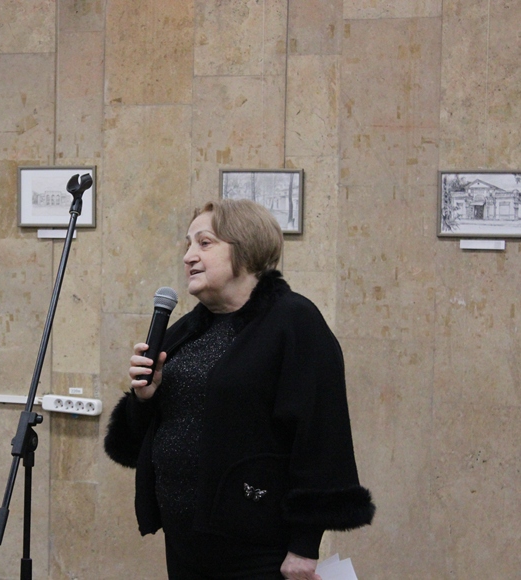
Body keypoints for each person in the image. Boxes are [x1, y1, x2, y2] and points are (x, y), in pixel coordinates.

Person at [104, 199, 374, 580]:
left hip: (256, 551)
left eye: (204, 243)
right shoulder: (184, 330)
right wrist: (143, 398)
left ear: (245, 248)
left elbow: (319, 435)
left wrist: (304, 545)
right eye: (188, 244)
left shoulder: (294, 322)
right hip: (185, 544)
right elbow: (139, 437)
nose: (188, 256)